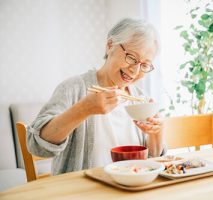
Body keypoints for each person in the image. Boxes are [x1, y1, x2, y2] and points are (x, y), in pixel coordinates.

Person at [27, 18, 165, 175]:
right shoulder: (74, 88)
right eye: (132, 58)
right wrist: (83, 109)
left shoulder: (141, 99)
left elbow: (152, 164)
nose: (135, 70)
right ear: (110, 45)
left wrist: (156, 134)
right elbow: (36, 146)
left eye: (145, 65)